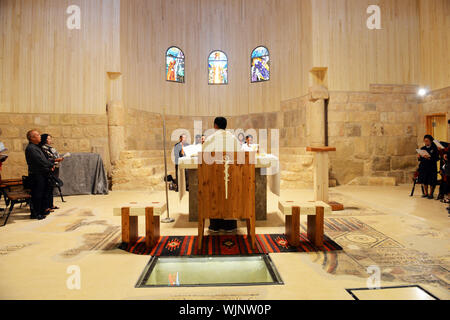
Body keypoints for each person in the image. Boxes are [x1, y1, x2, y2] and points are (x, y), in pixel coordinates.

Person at [203, 117, 239, 233]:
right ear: (225, 126)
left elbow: (203, 155)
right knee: (229, 193)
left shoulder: (211, 138)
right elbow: (241, 155)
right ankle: (230, 225)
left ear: (215, 126)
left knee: (215, 193)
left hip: (214, 177)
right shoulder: (233, 138)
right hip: (231, 176)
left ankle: (215, 225)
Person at [25, 130, 54, 220]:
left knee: (41, 194)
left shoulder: (36, 147)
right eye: (37, 135)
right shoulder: (31, 148)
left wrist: (50, 164)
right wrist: (51, 164)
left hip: (42, 174)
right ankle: (35, 213)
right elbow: (39, 161)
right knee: (37, 194)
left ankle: (41, 210)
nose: (40, 136)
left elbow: (44, 159)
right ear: (32, 138)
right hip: (36, 175)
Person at [39, 134, 64, 211]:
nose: (50, 140)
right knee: (48, 188)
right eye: (49, 139)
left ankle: (51, 204)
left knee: (51, 187)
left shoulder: (50, 148)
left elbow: (54, 156)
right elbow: (47, 159)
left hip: (54, 167)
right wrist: (55, 160)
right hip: (49, 168)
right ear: (45, 140)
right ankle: (47, 206)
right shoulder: (43, 148)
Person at [417, 134, 439, 199]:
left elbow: (437, 158)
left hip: (432, 167)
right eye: (425, 141)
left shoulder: (434, 148)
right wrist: (419, 157)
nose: (426, 142)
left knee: (432, 180)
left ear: (430, 141)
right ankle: (425, 193)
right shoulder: (422, 148)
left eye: (427, 141)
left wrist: (429, 158)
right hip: (424, 167)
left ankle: (431, 193)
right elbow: (420, 159)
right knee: (424, 180)